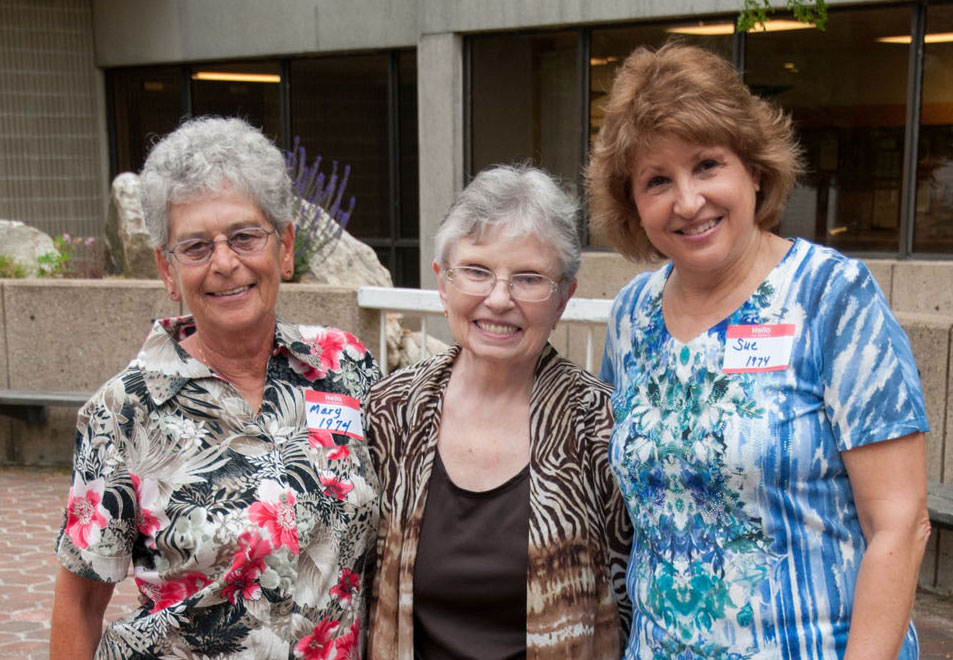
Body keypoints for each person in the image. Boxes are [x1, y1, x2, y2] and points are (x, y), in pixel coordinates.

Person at [587, 42, 931, 659]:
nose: (687, 201)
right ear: (633, 205)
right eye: (657, 180)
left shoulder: (831, 297)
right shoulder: (632, 316)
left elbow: (900, 527)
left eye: (707, 165)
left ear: (753, 167)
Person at [49, 117, 380, 659]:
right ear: (166, 267)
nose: (225, 263)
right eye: (197, 246)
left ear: (286, 247)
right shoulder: (124, 411)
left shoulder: (344, 367)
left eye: (246, 236)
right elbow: (81, 603)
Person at [365, 164, 632, 658]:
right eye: (477, 271)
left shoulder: (603, 426)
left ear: (563, 299)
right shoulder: (390, 411)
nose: (499, 298)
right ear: (442, 283)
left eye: (529, 278)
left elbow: (630, 596)